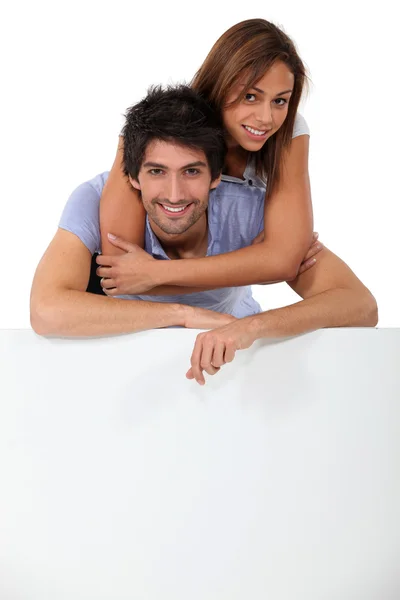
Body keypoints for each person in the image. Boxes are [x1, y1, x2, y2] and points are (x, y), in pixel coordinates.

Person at [30, 85, 378, 386]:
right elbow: (46, 311)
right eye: (157, 171)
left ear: (216, 176)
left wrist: (252, 327)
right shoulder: (95, 199)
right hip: (128, 364)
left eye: (192, 171)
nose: (175, 193)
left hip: (226, 368)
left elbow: (360, 306)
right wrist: (181, 316)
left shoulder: (249, 211)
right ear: (133, 177)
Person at [99, 19, 314, 295]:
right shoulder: (160, 125)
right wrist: (252, 260)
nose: (266, 118)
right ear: (221, 83)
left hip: (230, 308)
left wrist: (155, 272)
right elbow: (120, 272)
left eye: (280, 101)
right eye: (250, 96)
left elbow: (284, 261)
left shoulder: (289, 131)